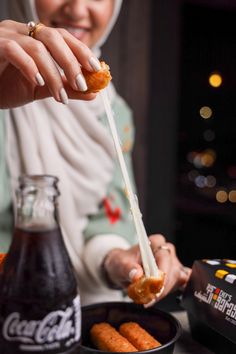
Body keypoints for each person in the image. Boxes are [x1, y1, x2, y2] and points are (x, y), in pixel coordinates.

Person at [0, 0, 191, 305]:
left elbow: (103, 221)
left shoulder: (112, 112)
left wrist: (119, 259)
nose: (78, 9)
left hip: (72, 324)